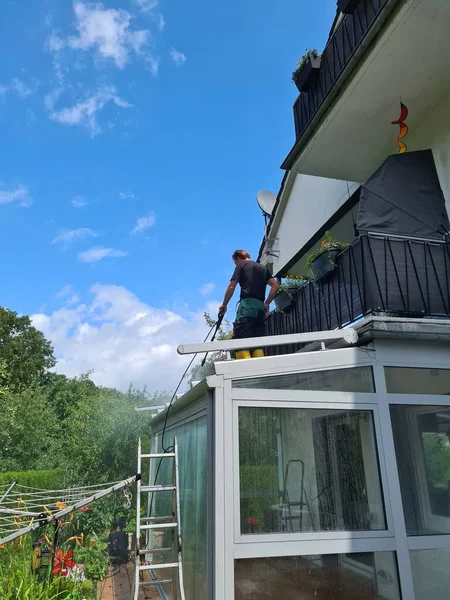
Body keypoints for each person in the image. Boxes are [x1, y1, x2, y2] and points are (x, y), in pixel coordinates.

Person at [219, 249, 279, 359]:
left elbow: (232, 286)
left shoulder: (241, 265)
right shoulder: (263, 268)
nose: (236, 264)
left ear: (238, 258)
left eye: (235, 262)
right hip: (260, 308)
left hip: (247, 306)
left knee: (241, 341)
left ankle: (245, 369)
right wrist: (266, 303)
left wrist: (224, 305)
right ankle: (259, 369)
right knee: (256, 343)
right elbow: (275, 285)